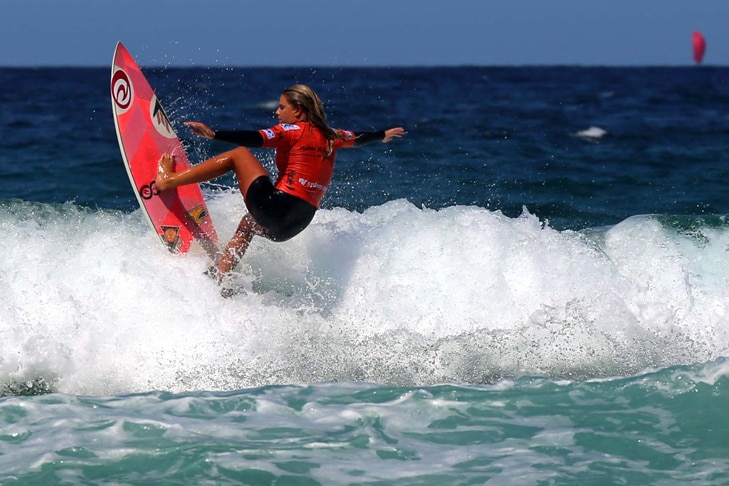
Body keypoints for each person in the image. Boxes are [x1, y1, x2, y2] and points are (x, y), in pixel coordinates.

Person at [156, 84, 405, 286]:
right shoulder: (334, 136)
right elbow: (360, 138)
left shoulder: (292, 130)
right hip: (294, 225)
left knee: (239, 155)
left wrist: (214, 134)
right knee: (247, 225)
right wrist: (382, 135)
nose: (277, 112)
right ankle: (220, 277)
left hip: (276, 207)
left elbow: (255, 138)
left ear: (297, 111)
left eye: (282, 107)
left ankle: (169, 180)